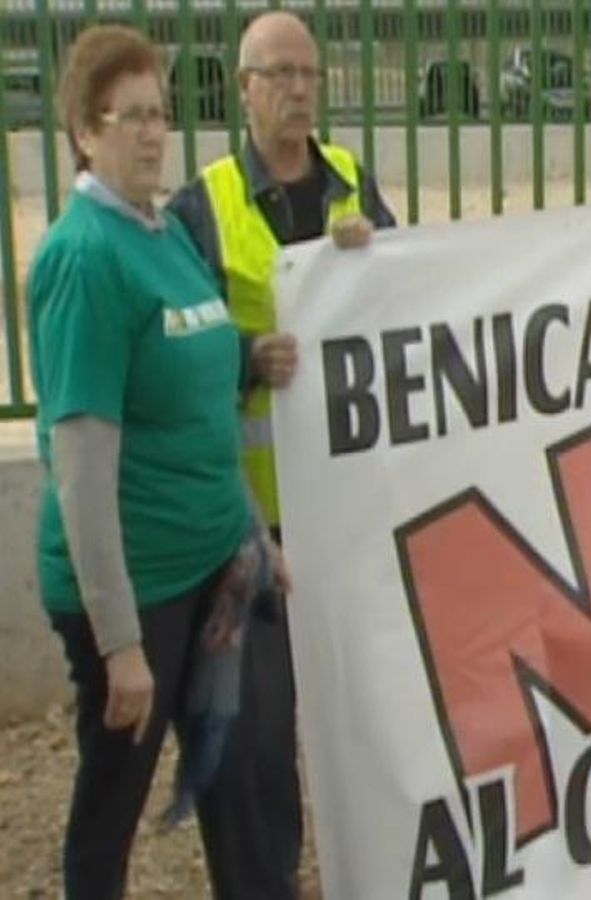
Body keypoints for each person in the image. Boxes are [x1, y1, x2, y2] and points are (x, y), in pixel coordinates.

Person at [27, 24, 285, 898]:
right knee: (114, 800)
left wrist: (254, 538)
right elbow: (81, 469)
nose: (151, 133)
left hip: (213, 568)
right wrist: (122, 646)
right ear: (83, 131)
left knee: (236, 782)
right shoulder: (85, 260)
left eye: (160, 113)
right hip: (138, 588)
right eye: (129, 116)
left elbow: (208, 415)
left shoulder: (163, 233)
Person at [166, 10, 393, 895]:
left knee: (360, 725)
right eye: (280, 74)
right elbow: (175, 353)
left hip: (345, 515)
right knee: (253, 745)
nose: (299, 90)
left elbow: (405, 309)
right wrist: (243, 360)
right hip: (247, 530)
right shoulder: (202, 209)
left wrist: (375, 261)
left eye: (309, 74)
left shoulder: (353, 186)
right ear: (244, 87)